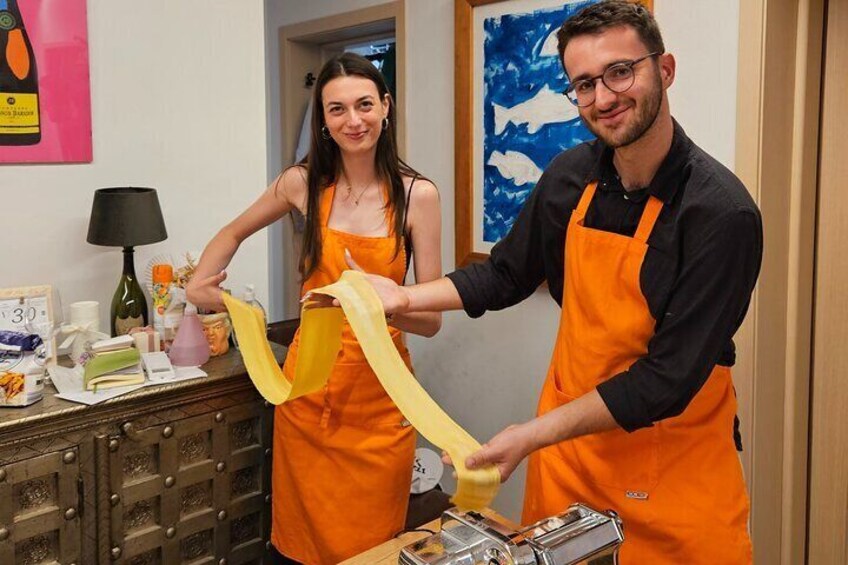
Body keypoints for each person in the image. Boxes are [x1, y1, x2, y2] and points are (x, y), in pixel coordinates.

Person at [346, 2, 761, 563]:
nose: (603, 97)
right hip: (572, 460)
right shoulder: (570, 176)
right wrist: (404, 296)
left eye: (620, 72)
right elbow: (505, 274)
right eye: (584, 84)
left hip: (672, 472)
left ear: (664, 70)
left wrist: (531, 434)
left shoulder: (721, 214)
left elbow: (665, 382)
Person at [187, 52, 442, 564]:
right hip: (308, 391)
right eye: (337, 109)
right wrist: (199, 285)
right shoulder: (301, 184)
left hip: (381, 397)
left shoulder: (418, 195)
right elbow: (233, 232)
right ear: (323, 120)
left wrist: (374, 303)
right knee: (300, 546)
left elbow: (431, 320)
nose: (354, 120)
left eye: (364, 104)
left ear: (386, 106)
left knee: (371, 547)